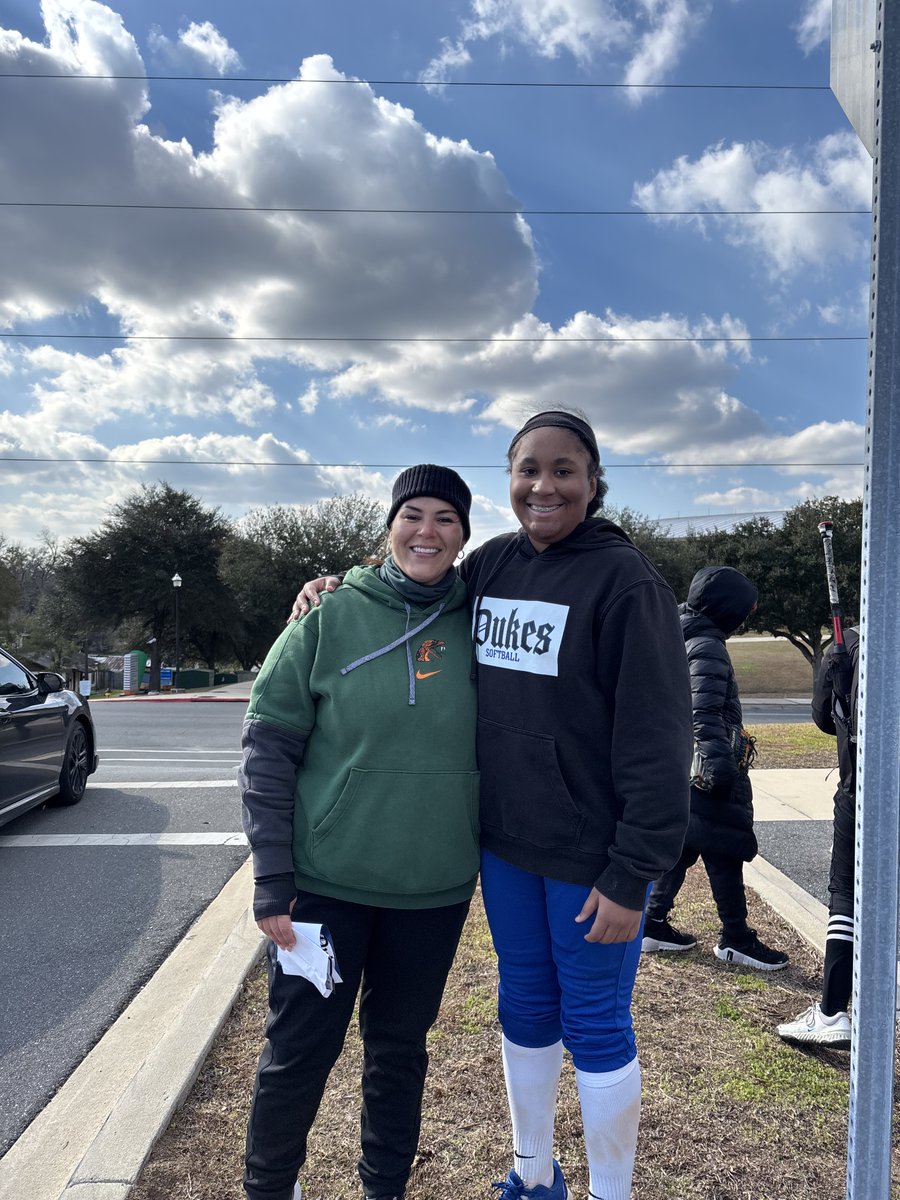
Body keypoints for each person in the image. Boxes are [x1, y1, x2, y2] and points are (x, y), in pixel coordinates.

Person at [294, 410, 693, 1200]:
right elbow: (416, 583)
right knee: (525, 1005)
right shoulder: (495, 565)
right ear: (508, 480)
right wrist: (335, 585)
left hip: (593, 860)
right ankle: (533, 1172)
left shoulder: (627, 584)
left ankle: (612, 1193)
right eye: (528, 470)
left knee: (595, 1024)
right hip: (507, 847)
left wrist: (633, 871)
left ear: (592, 481)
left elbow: (657, 742)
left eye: (564, 470)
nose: (544, 486)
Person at [240, 464, 480, 1200]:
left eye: (446, 517)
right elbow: (268, 751)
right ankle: (269, 1189)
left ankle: (385, 1190)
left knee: (400, 1054)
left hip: (433, 891)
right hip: (322, 890)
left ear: (465, 535)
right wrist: (272, 877)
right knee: (298, 1055)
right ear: (389, 526)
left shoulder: (481, 619)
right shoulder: (324, 616)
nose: (427, 531)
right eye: (413, 514)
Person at [641, 566, 789, 972]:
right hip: (706, 771)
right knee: (725, 848)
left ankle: (651, 922)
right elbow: (701, 713)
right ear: (729, 610)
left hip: (681, 769)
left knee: (686, 845)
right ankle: (736, 938)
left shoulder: (678, 631)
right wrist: (722, 771)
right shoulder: (707, 644)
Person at [777, 627, 859, 1048]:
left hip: (862, 791)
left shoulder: (853, 645)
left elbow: (824, 716)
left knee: (845, 895)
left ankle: (831, 1010)